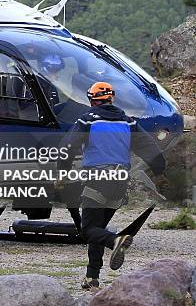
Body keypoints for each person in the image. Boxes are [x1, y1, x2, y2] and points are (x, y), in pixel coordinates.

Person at [57, 81, 166, 289]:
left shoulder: (88, 119)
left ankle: (115, 241)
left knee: (88, 229)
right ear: (111, 98)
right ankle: (92, 277)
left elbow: (67, 146)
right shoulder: (128, 122)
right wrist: (160, 173)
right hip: (120, 182)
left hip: (98, 178)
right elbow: (151, 149)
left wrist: (62, 173)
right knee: (97, 227)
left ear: (92, 100)